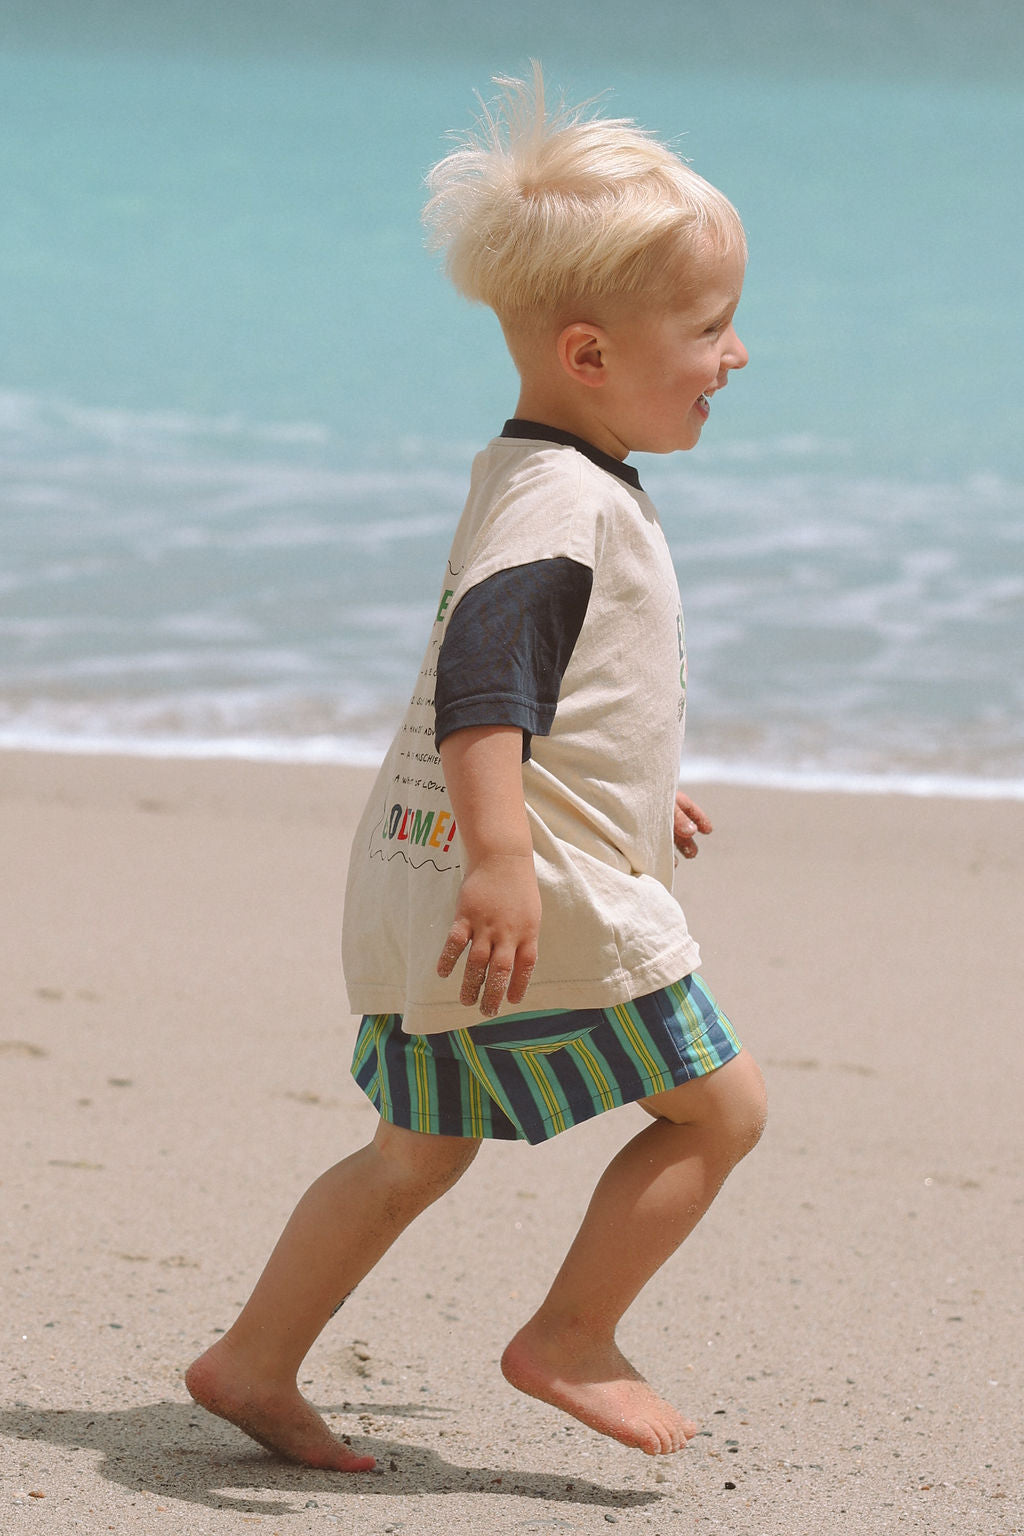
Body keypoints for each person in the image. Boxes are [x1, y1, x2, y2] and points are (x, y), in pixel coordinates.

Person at [186, 66, 766, 1472]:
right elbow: (485, 685)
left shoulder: (526, 471)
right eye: (708, 327)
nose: (735, 353)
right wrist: (511, 853)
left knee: (414, 1150)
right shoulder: (569, 503)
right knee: (720, 1109)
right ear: (587, 355)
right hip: (522, 899)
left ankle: (251, 1359)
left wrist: (626, 786)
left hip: (420, 880)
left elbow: (550, 689)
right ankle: (568, 1335)